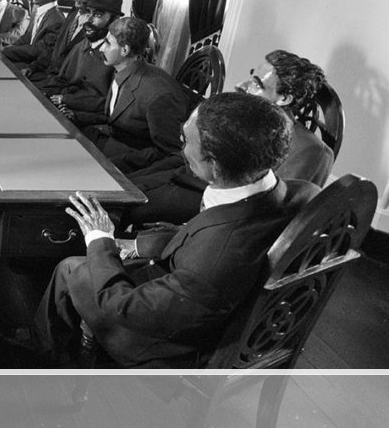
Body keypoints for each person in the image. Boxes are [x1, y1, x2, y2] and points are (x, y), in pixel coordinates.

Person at [34, 93, 319, 367]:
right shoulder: (301, 191)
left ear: (215, 167)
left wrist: (99, 239)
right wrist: (137, 246)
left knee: (70, 268)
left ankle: (40, 355)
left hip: (167, 342)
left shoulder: (216, 257)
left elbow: (124, 307)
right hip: (200, 299)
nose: (181, 149)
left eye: (186, 142)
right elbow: (207, 235)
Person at [124, 50, 334, 229]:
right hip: (183, 172)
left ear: (285, 99)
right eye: (251, 77)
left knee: (124, 209)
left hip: (209, 204)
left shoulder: (311, 151)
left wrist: (187, 232)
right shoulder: (237, 116)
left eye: (257, 84)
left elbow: (270, 216)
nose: (240, 85)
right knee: (119, 189)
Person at [78, 17, 189, 174]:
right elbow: (112, 117)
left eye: (108, 43)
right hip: (111, 141)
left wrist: (112, 165)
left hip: (130, 162)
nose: (102, 49)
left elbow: (169, 153)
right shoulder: (122, 69)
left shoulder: (159, 95)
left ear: (125, 50)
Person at [39, 0, 123, 121]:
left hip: (86, 119)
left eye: (98, 15)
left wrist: (68, 101)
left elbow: (109, 104)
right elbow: (61, 79)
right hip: (62, 107)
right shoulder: (81, 46)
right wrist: (44, 92)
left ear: (115, 20)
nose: (88, 20)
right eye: (88, 12)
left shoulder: (116, 56)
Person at [26, 0, 110, 84]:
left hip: (66, 85)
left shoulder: (100, 29)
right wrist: (33, 67)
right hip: (48, 75)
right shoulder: (74, 12)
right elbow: (56, 46)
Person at [0, 0, 68, 64]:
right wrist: (8, 48)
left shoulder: (56, 20)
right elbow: (26, 38)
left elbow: (38, 50)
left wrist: (4, 51)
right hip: (26, 59)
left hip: (35, 67)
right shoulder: (38, 11)